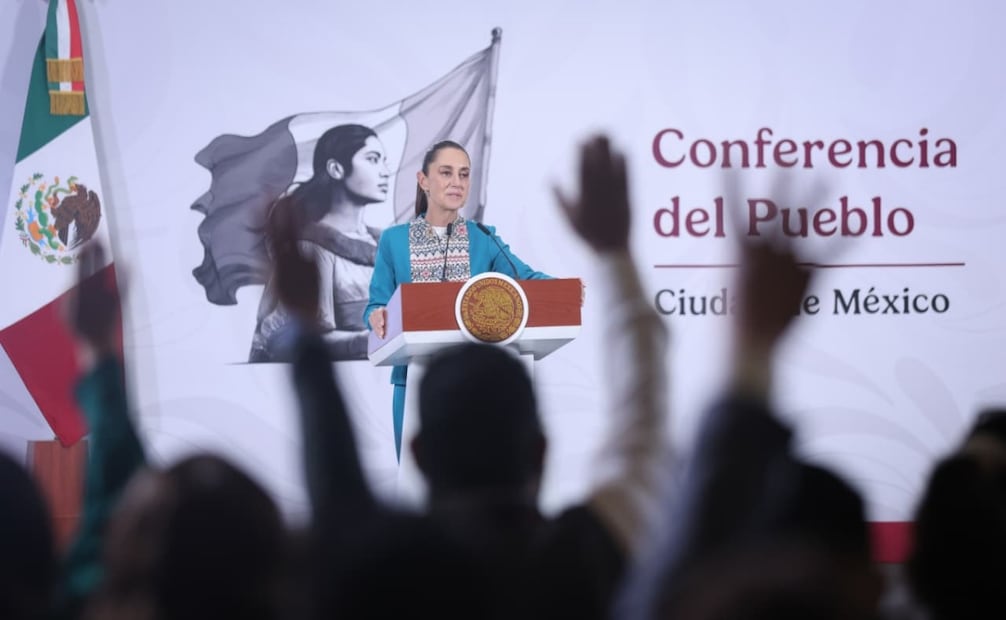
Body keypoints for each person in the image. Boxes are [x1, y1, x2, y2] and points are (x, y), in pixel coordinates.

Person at [364, 139, 551, 459]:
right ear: (424, 181)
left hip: (477, 383)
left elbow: (525, 278)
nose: (457, 182)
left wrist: (564, 290)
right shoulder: (393, 241)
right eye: (446, 172)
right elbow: (375, 303)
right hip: (413, 381)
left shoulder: (483, 237)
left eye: (464, 174)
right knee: (416, 477)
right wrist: (376, 314)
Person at [250, 123, 391, 362]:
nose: (385, 171)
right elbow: (299, 337)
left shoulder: (386, 244)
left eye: (384, 161)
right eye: (373, 159)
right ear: (336, 169)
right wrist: (370, 340)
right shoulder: (312, 247)